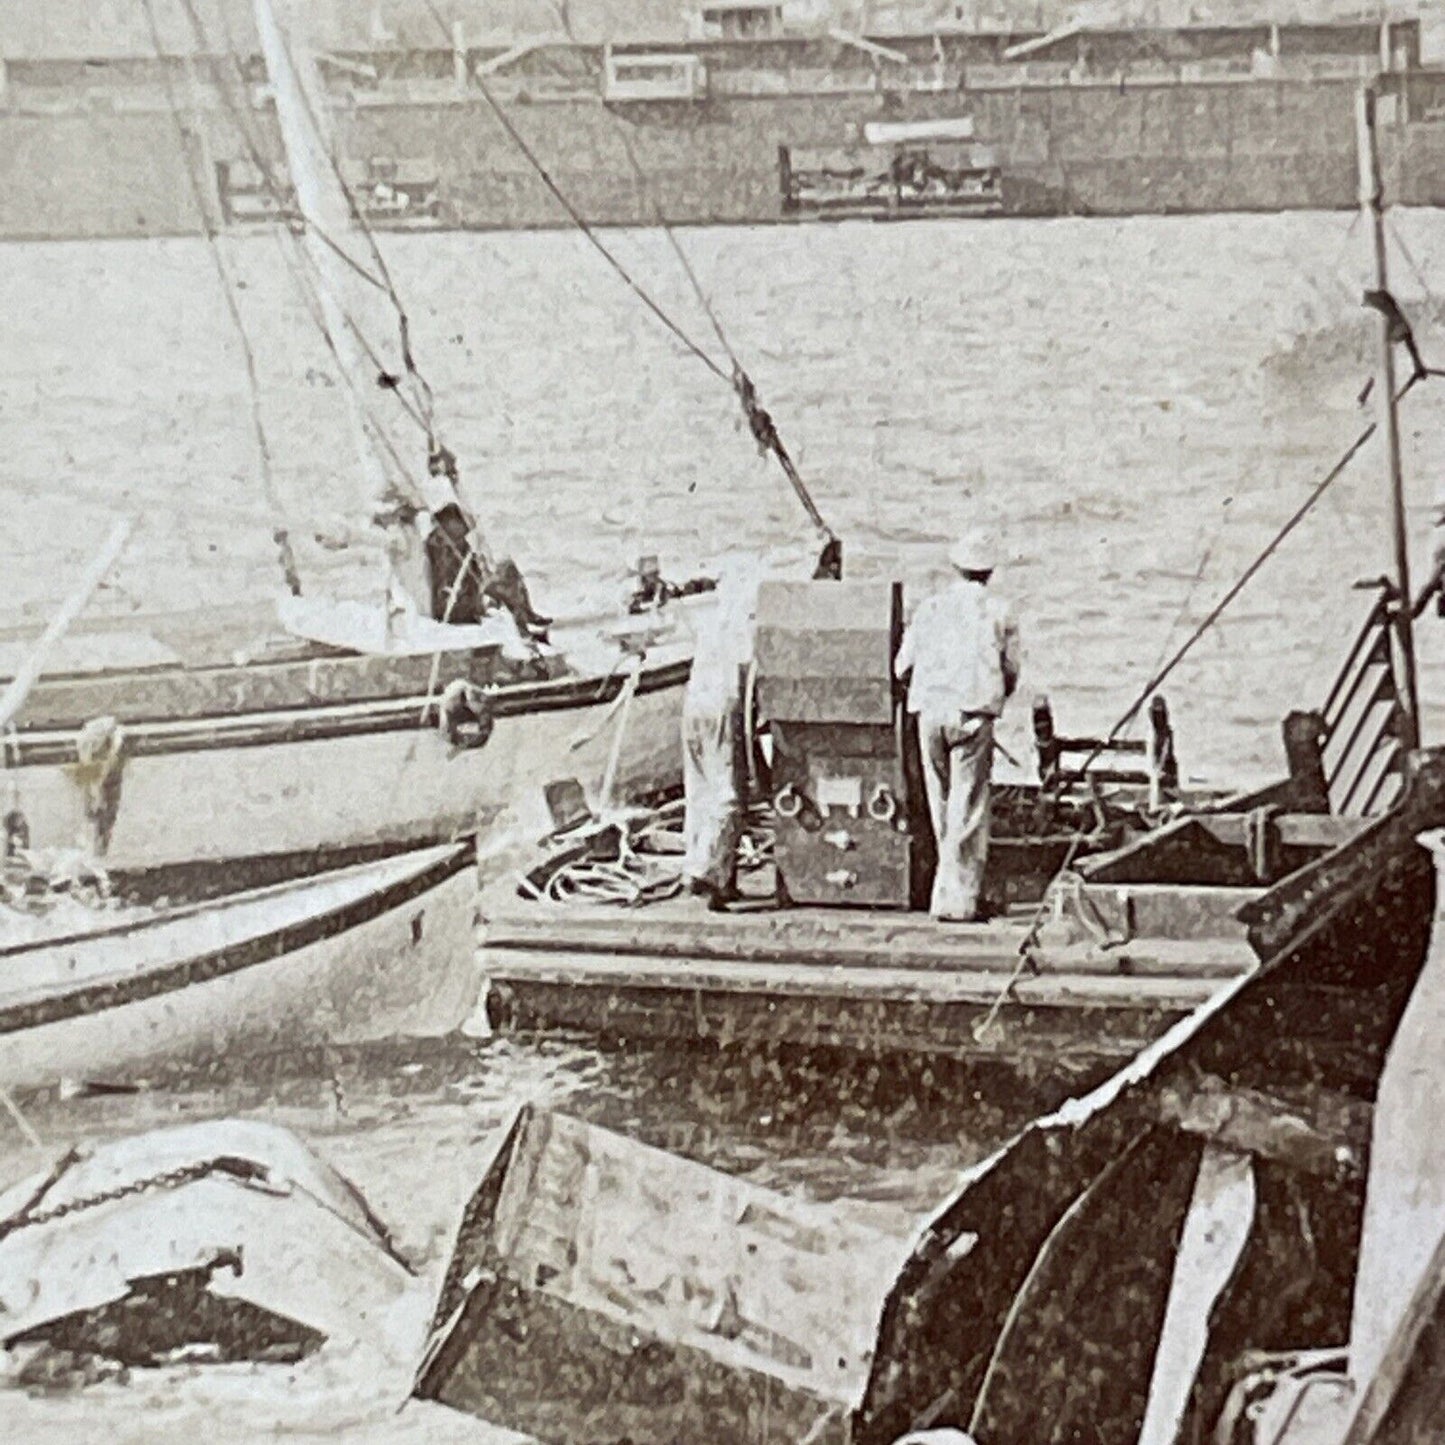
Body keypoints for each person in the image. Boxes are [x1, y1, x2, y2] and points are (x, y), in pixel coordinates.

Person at [895, 532, 1020, 923]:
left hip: (930, 712)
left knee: (942, 804)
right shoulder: (1000, 611)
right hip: (972, 713)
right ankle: (959, 900)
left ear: (955, 567)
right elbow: (1011, 669)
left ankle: (943, 891)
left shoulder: (930, 607)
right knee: (968, 807)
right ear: (990, 571)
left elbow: (902, 666)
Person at [680, 563, 761, 910]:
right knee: (729, 795)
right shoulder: (746, 627)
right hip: (722, 709)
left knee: (699, 792)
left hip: (692, 708)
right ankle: (709, 873)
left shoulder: (710, 622)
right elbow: (755, 677)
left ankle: (706, 869)